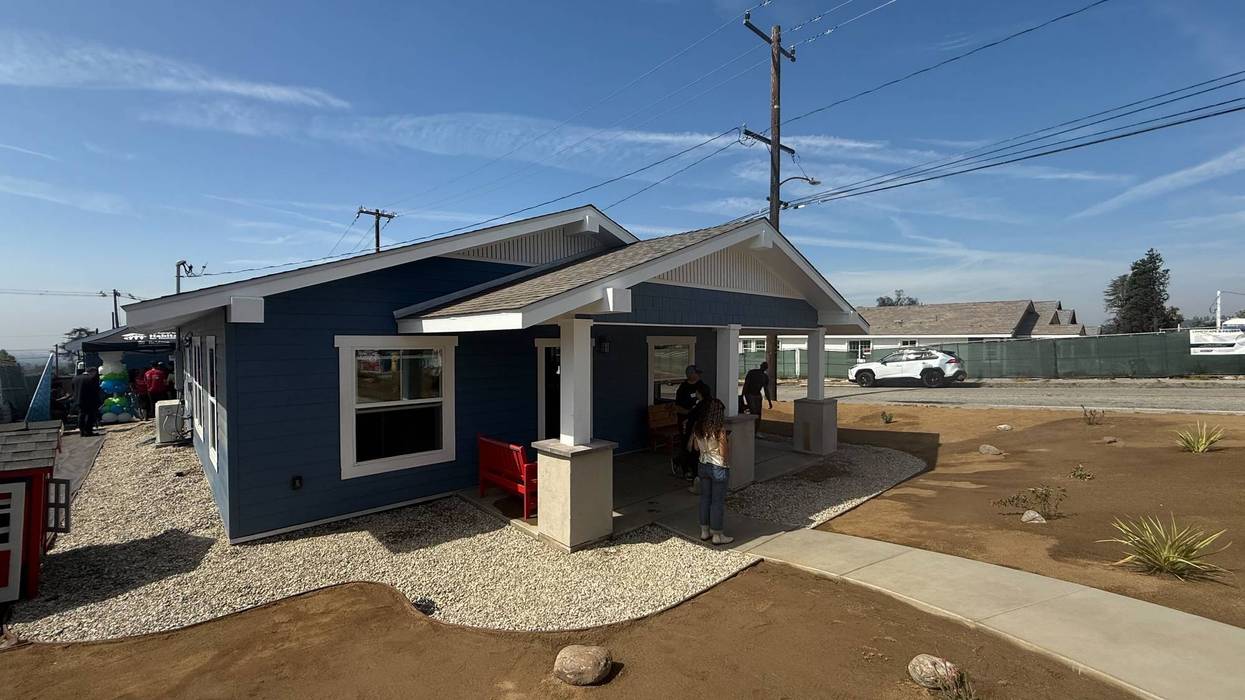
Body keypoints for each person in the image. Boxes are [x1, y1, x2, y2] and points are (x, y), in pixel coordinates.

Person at [690, 398, 733, 545]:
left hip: (703, 464)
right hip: (718, 466)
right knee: (717, 502)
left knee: (705, 499)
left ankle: (704, 531)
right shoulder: (719, 429)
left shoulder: (698, 427)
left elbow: (696, 447)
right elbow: (723, 452)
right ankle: (717, 535)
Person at [674, 365, 711, 479]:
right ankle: (684, 467)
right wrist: (689, 413)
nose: (698, 375)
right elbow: (677, 406)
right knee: (686, 444)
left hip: (699, 421)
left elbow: (707, 403)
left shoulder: (703, 386)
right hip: (686, 420)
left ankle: (696, 469)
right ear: (690, 374)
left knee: (698, 447)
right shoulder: (683, 388)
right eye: (696, 373)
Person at [72, 366, 101, 437]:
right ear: (92, 372)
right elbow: (95, 390)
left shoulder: (75, 378)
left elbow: (73, 389)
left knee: (81, 415)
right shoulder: (91, 379)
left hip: (78, 400)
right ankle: (88, 431)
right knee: (90, 416)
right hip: (89, 400)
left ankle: (82, 431)